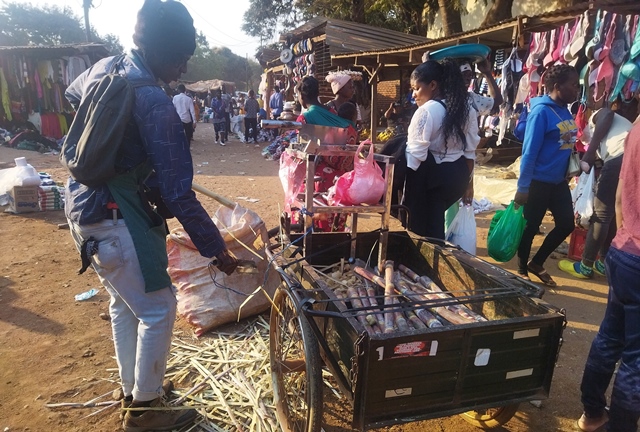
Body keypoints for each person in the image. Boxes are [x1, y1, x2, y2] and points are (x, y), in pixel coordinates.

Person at [63, 1, 238, 431]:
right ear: (159, 49)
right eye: (179, 57)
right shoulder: (155, 102)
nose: (181, 67)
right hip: (115, 220)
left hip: (82, 212)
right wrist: (218, 252)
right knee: (159, 309)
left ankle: (136, 392)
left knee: (126, 306)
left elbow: (71, 95)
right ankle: (147, 414)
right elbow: (179, 194)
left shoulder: (105, 66)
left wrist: (117, 148)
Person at [576, 111, 640, 432]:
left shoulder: (638, 126)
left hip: (624, 251)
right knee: (636, 360)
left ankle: (592, 413)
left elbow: (618, 199)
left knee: (609, 337)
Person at [514, 64, 580, 286]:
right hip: (538, 181)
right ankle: (522, 268)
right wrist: (523, 188)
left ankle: (537, 262)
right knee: (531, 226)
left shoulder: (564, 110)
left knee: (566, 224)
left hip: (558, 181)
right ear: (557, 86)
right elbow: (529, 152)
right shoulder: (542, 111)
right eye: (573, 85)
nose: (576, 89)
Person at [559, 97, 637, 280]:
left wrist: (591, 150)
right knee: (610, 213)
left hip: (619, 157)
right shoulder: (621, 127)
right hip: (630, 157)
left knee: (601, 215)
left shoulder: (598, 114)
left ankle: (585, 265)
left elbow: (608, 114)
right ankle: (603, 262)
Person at [403, 59, 479, 239]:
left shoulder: (427, 111)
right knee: (435, 226)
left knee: (428, 234)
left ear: (433, 85)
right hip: (458, 178)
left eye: (416, 88)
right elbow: (470, 152)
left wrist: (409, 197)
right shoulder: (467, 109)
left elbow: (415, 157)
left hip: (433, 182)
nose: (413, 94)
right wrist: (468, 184)